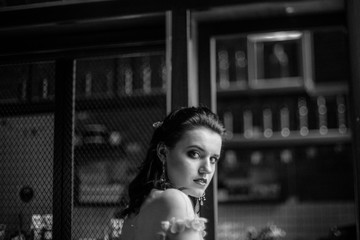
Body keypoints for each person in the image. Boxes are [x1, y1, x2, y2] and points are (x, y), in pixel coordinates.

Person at [117, 106, 226, 240]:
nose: (208, 168)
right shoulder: (176, 200)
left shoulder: (137, 210)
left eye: (213, 159)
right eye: (194, 154)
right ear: (163, 152)